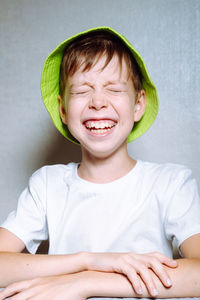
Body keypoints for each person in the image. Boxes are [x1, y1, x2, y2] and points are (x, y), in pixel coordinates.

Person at [0, 26, 200, 300]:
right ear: (63, 110)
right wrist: (87, 261)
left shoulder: (170, 183)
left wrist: (86, 282)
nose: (97, 102)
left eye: (114, 89)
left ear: (138, 104)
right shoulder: (48, 184)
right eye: (82, 91)